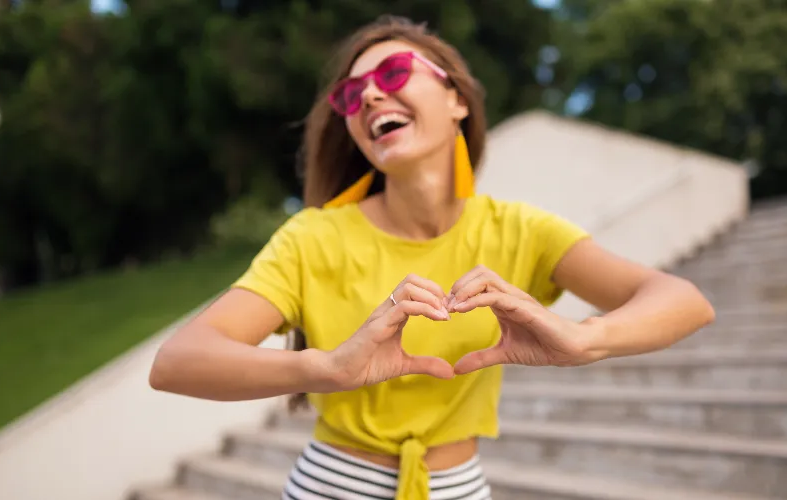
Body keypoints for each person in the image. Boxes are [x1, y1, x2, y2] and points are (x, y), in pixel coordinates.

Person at [148, 15, 715, 500]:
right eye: (351, 94)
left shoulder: (521, 230)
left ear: (457, 100)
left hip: (460, 486)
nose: (368, 96)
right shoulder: (312, 238)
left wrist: (585, 339)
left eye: (392, 75)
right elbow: (177, 361)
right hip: (331, 484)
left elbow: (683, 302)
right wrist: (328, 368)